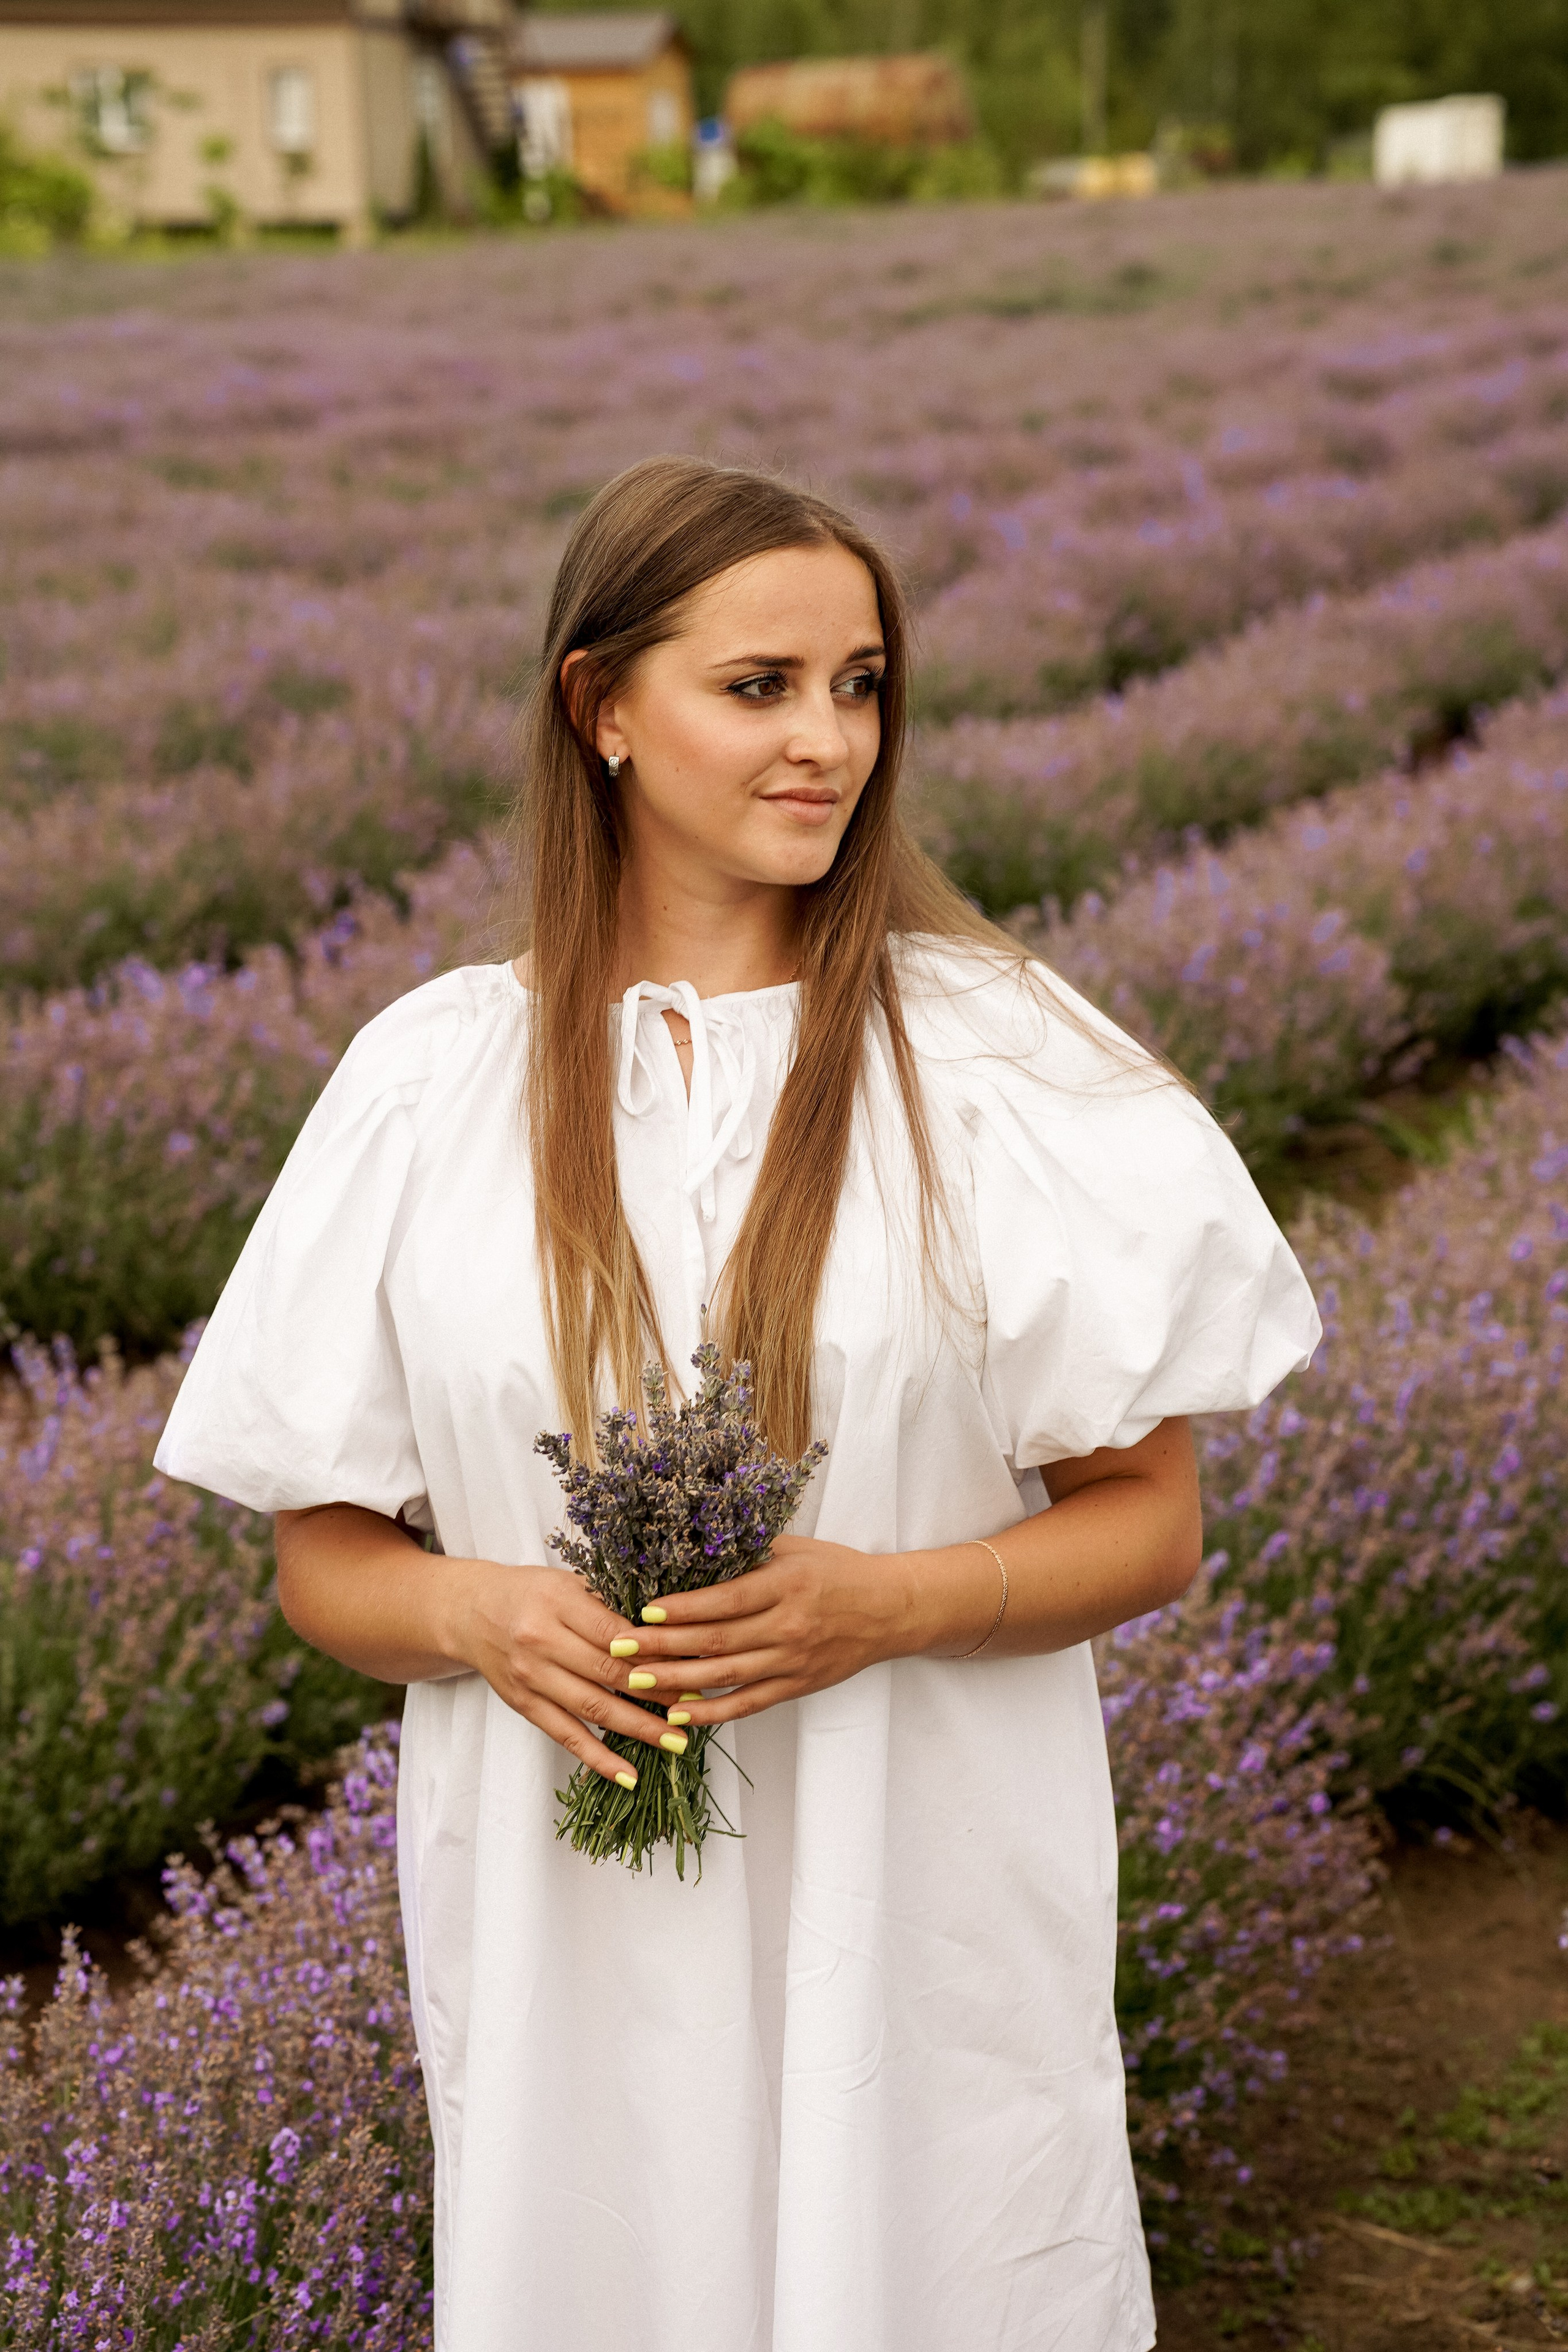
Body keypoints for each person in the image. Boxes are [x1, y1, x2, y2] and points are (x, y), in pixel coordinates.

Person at [156, 455, 1321, 2352]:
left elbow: (1153, 1515)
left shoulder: (1002, 1062)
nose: (830, 742)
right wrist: (475, 1612)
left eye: (861, 685)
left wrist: (891, 1604)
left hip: (914, 1884)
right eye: (761, 686)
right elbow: (324, 1558)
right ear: (599, 706)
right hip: (567, 1912)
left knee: (928, 2262)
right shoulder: (431, 1080)